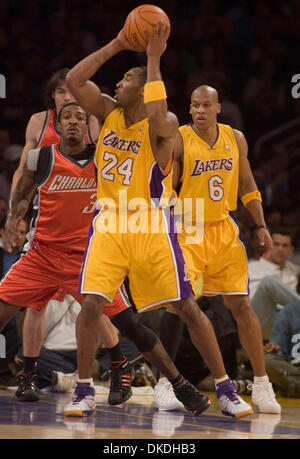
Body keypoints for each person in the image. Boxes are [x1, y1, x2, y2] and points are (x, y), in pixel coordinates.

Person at [64, 23, 253, 419]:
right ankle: (83, 390)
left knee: (186, 306)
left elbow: (156, 110)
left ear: (144, 86)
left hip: (151, 224)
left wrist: (151, 58)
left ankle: (225, 387)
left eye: (126, 78)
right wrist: (118, 43)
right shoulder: (107, 111)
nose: (117, 82)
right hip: (111, 223)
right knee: (91, 303)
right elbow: (73, 79)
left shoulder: (162, 127)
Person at [154, 85, 281, 415]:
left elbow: (247, 183)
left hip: (224, 228)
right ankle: (164, 383)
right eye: (194, 105)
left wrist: (262, 224)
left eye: (206, 105)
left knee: (241, 306)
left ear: (218, 108)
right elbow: (169, 183)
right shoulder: (181, 138)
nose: (199, 111)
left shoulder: (235, 138)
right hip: (189, 227)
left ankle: (262, 383)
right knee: (179, 305)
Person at [0, 103, 129, 403]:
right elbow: (21, 193)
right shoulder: (42, 157)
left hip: (87, 257)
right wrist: (12, 221)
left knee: (112, 318)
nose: (72, 121)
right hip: (42, 254)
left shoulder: (103, 158)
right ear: (57, 126)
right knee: (11, 310)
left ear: (87, 126)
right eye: (66, 117)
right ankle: (28, 377)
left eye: (79, 117)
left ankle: (121, 371)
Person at [11, 68, 100, 192]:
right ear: (53, 94)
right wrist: (12, 207)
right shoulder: (38, 122)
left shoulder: (94, 121)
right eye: (61, 92)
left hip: (86, 198)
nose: (67, 98)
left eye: (73, 92)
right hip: (49, 201)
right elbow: (22, 170)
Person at [248, 227, 300, 340]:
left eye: (285, 245)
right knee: (268, 281)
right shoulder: (251, 267)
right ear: (268, 246)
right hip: (259, 318)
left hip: (288, 321)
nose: (280, 249)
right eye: (276, 244)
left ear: (291, 250)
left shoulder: (294, 269)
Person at [264, 300, 300, 397]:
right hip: (293, 370)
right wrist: (272, 348)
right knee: (266, 361)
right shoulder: (289, 310)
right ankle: (294, 386)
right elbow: (277, 346)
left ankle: (292, 387)